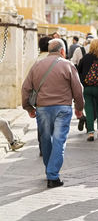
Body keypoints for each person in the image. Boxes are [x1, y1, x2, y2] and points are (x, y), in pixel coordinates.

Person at [21, 39, 84, 188]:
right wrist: (79, 107)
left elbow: (25, 88)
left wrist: (28, 107)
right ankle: (53, 175)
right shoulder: (68, 65)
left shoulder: (37, 65)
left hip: (42, 108)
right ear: (62, 51)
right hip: (63, 108)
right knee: (59, 140)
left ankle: (49, 171)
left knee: (45, 140)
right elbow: (77, 89)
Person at [77, 38, 98, 141]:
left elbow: (79, 70)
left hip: (87, 88)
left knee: (89, 109)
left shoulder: (86, 57)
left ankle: (91, 133)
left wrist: (83, 81)